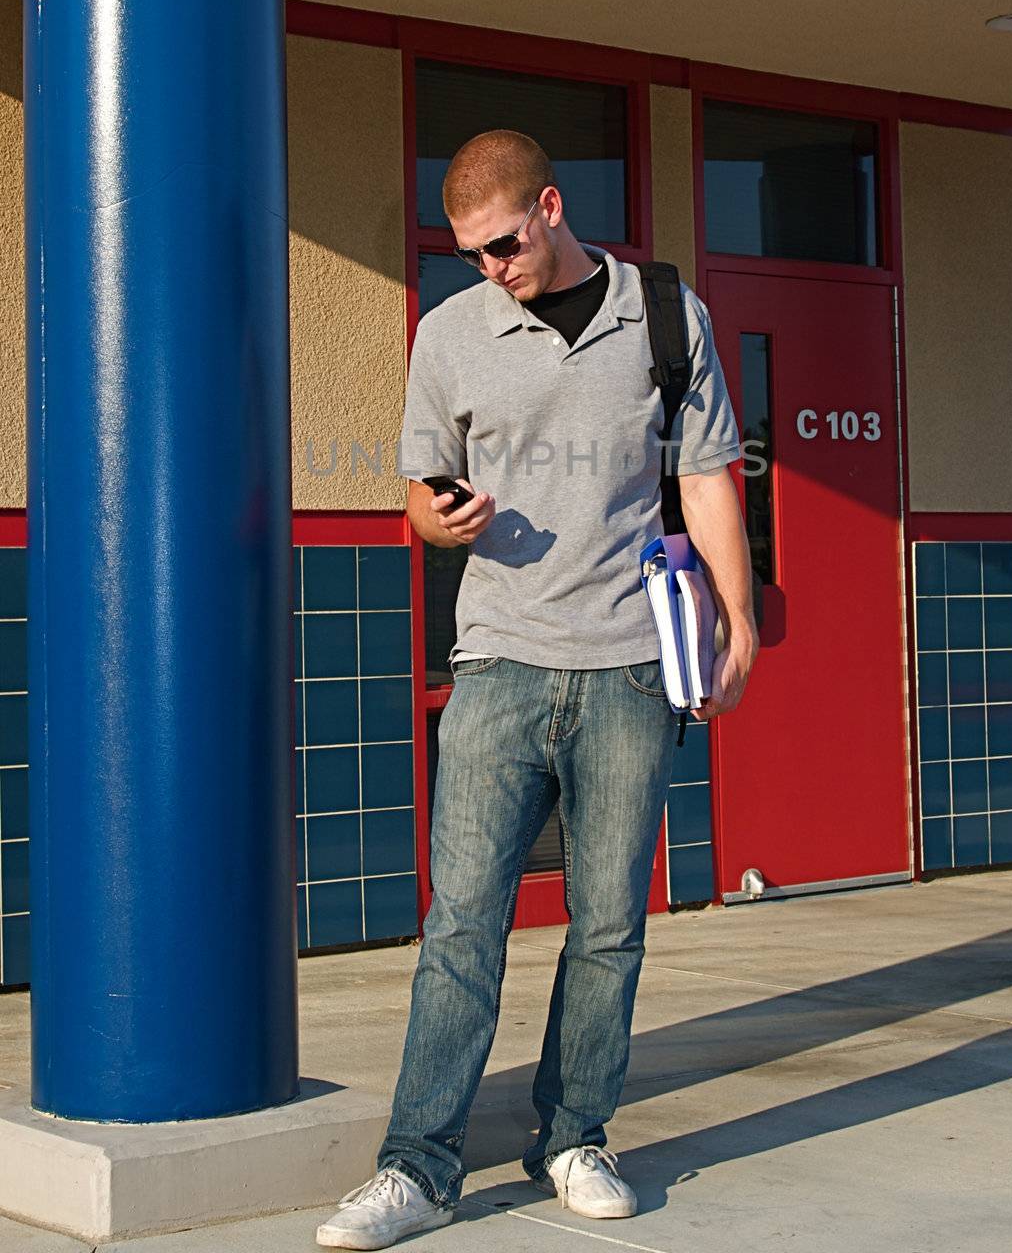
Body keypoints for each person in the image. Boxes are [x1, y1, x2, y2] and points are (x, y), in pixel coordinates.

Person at [316, 129, 758, 1251]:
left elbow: (704, 473)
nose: (490, 267)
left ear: (552, 208)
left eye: (504, 244)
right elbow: (418, 488)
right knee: (463, 922)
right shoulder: (451, 333)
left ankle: (574, 1134)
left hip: (627, 664)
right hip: (499, 662)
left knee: (608, 921)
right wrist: (436, 520)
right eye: (469, 252)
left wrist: (738, 616)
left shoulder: (663, 312)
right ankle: (417, 1166)